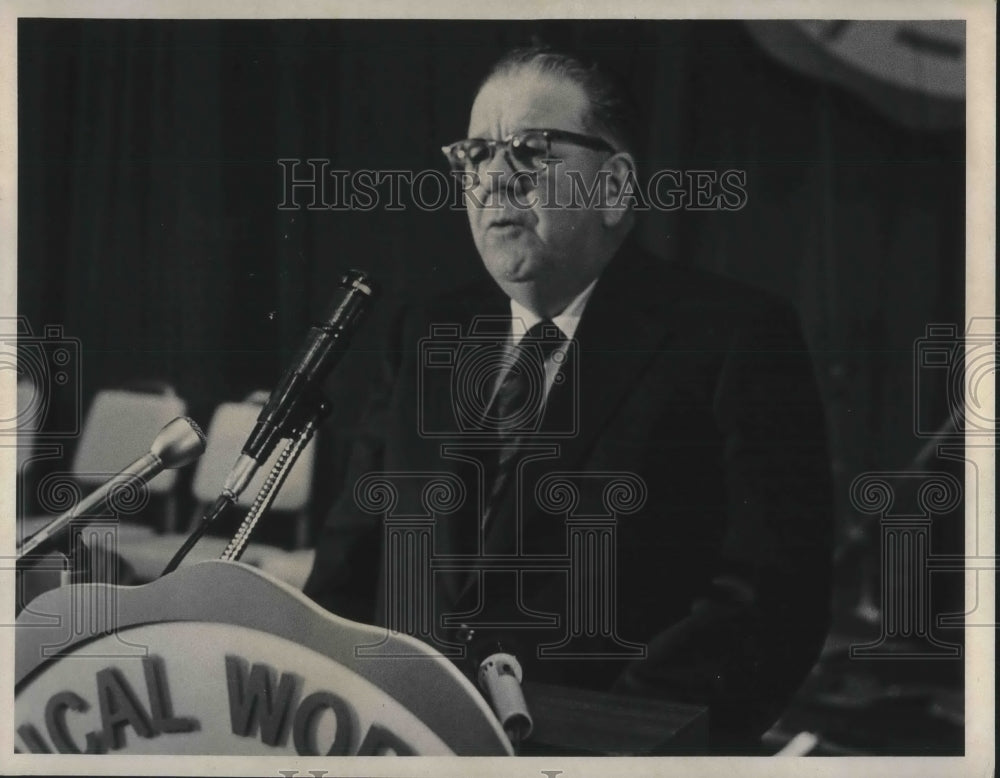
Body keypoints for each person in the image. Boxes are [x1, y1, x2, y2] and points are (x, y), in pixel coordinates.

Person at [304, 45, 833, 753]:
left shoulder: (732, 336)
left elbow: (770, 602)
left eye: (528, 148)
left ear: (614, 187)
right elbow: (348, 571)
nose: (494, 177)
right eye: (474, 153)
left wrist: (612, 742)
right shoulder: (425, 332)